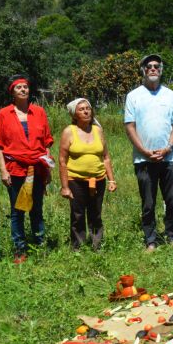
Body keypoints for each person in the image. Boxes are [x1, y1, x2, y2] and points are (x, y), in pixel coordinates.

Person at [124, 53, 173, 250]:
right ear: (143, 70)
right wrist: (144, 151)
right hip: (144, 159)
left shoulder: (171, 95)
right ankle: (151, 240)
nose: (153, 69)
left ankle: (172, 236)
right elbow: (130, 127)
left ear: (161, 70)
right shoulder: (133, 96)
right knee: (148, 203)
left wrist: (168, 148)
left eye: (156, 66)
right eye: (149, 66)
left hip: (170, 157)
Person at [0, 75, 54, 263]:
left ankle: (39, 245)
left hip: (37, 167)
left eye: (25, 87)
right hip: (15, 168)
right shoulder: (4, 114)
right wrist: (3, 171)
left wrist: (48, 168)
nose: (23, 90)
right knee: (17, 210)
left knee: (36, 209)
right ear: (12, 92)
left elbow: (46, 143)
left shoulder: (39, 112)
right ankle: (20, 249)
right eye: (18, 87)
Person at [58, 98, 117, 250]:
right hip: (76, 180)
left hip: (98, 179)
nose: (86, 111)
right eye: (81, 109)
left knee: (96, 213)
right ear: (74, 115)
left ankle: (97, 245)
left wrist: (111, 180)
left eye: (88, 108)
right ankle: (77, 247)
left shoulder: (97, 130)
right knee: (77, 214)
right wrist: (65, 187)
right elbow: (62, 161)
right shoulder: (68, 132)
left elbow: (106, 157)